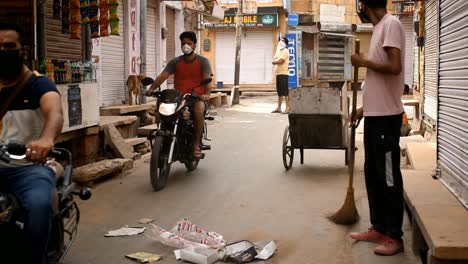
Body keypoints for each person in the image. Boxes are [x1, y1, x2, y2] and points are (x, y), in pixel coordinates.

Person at [0, 21, 64, 263]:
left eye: (9, 46)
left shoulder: (39, 84)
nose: (3, 52)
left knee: (39, 204)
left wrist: (46, 138)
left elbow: (55, 113)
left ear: (22, 50)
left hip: (27, 168)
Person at [349, 0, 406, 256]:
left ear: (365, 6)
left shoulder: (391, 25)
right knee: (372, 174)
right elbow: (379, 83)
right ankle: (379, 227)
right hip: (375, 116)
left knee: (388, 177)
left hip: (387, 120)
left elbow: (394, 68)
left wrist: (362, 61)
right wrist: (363, 110)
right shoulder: (380, 28)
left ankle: (394, 236)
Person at [145, 31, 212, 159]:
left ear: (194, 45)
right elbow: (162, 76)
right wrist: (152, 88)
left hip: (196, 97)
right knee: (160, 103)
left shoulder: (203, 62)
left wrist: (206, 94)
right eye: (183, 43)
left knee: (198, 110)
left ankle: (196, 144)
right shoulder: (175, 62)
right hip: (179, 97)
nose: (186, 46)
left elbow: (208, 80)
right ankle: (163, 133)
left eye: (189, 43)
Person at [271, 37, 290, 114]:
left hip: (284, 74)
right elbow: (273, 60)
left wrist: (276, 61)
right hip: (278, 73)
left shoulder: (286, 51)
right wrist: (276, 61)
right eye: (280, 40)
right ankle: (279, 108)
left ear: (285, 43)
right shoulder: (278, 50)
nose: (280, 42)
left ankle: (288, 108)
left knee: (285, 92)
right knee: (279, 92)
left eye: (282, 41)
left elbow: (281, 61)